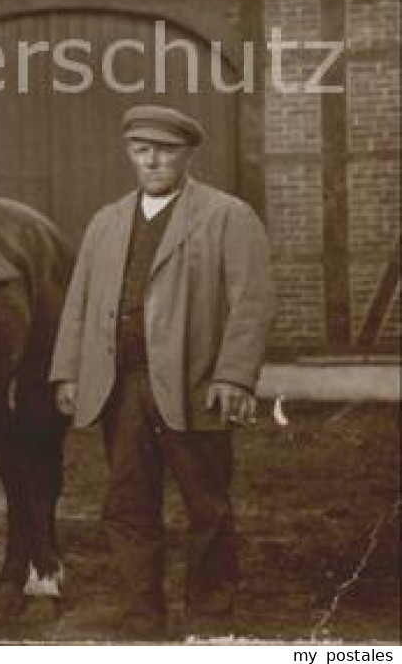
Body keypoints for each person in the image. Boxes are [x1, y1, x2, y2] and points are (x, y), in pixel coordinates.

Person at [50, 105, 274, 635]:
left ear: (187, 154)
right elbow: (78, 302)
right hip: (120, 388)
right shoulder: (106, 222)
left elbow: (253, 302)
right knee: (128, 507)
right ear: (129, 153)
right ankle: (141, 620)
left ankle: (211, 620)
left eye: (165, 149)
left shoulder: (227, 215)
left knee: (208, 509)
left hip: (196, 387)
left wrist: (234, 376)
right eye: (141, 149)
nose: (152, 160)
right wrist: (68, 371)